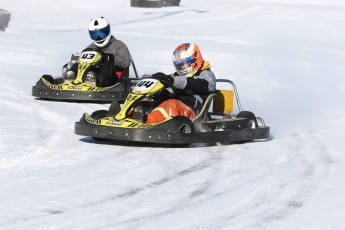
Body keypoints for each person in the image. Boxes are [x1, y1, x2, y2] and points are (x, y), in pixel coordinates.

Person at [145, 42, 216, 124]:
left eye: (184, 64)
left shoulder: (206, 74)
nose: (181, 68)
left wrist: (174, 81)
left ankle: (147, 124)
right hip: (177, 113)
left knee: (172, 105)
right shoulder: (177, 76)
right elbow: (170, 81)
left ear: (195, 59)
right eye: (178, 65)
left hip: (193, 114)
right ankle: (132, 120)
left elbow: (201, 84)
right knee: (145, 104)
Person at [62, 16, 131, 87]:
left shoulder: (118, 45)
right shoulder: (91, 47)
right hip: (92, 75)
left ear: (107, 31)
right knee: (80, 62)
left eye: (101, 33)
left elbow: (126, 62)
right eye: (95, 34)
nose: (98, 37)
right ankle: (71, 77)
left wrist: (112, 58)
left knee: (107, 64)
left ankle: (97, 81)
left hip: (113, 79)